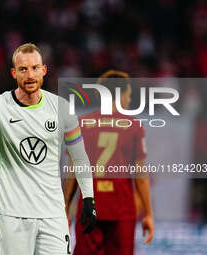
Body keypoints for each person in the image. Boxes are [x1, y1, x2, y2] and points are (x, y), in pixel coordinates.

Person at [0, 43, 97, 255]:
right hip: (14, 215)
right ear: (14, 73)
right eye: (23, 69)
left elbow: (80, 158)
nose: (30, 74)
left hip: (52, 215)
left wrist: (88, 198)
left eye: (34, 68)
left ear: (43, 70)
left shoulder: (61, 108)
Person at [64, 70, 154, 255]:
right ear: (121, 94)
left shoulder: (81, 123)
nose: (129, 101)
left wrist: (65, 209)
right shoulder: (133, 126)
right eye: (128, 95)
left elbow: (73, 171)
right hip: (122, 210)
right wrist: (148, 213)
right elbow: (141, 175)